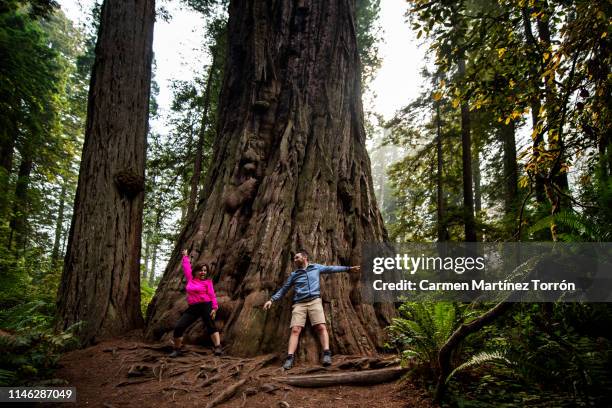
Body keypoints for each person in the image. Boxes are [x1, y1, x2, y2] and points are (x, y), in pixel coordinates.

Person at [263, 250, 360, 369]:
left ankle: (326, 354)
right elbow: (284, 289)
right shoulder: (294, 275)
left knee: (321, 327)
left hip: (314, 301)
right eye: (294, 258)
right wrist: (271, 300)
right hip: (299, 304)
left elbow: (331, 268)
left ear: (304, 258)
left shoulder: (316, 268)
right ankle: (289, 358)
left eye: (296, 257)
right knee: (295, 329)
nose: (294, 260)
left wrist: (348, 268)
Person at [170, 249, 223, 357]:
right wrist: (185, 256)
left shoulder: (208, 282)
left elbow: (212, 295)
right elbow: (186, 268)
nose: (203, 272)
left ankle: (218, 347)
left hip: (206, 305)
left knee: (210, 325)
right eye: (201, 270)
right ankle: (177, 349)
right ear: (195, 271)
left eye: (205, 270)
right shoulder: (191, 279)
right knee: (179, 327)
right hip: (193, 307)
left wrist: (214, 308)